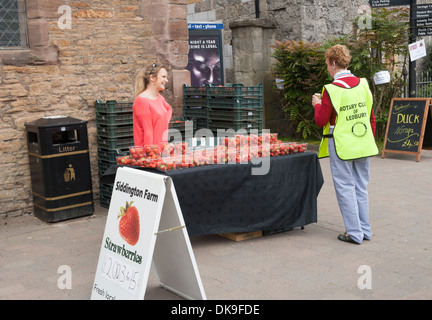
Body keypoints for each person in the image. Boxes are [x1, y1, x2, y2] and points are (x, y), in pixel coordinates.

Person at [312, 44, 378, 245]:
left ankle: (354, 233)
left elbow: (321, 121)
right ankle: (365, 230)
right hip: (363, 141)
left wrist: (317, 105)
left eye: (327, 65)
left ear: (333, 64)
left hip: (340, 143)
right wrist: (370, 140)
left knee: (345, 187)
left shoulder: (330, 90)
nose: (327, 68)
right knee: (361, 186)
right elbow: (371, 117)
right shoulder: (364, 84)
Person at [133, 63, 172, 148]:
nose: (166, 80)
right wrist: (150, 155)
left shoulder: (160, 98)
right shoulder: (141, 101)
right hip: (149, 154)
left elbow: (169, 110)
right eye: (163, 77)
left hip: (162, 151)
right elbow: (148, 132)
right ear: (152, 78)